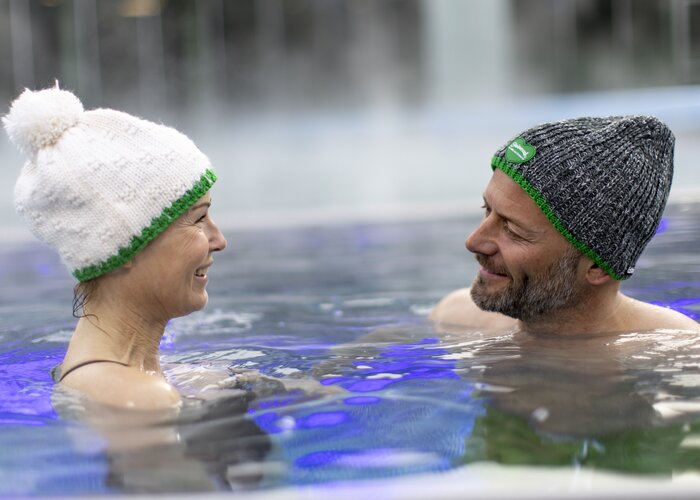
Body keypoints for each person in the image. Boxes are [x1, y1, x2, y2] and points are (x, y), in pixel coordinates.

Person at [3, 86, 227, 409]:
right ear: (124, 247)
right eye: (199, 219)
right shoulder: (141, 397)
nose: (219, 240)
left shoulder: (116, 378)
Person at [431, 116, 699, 334]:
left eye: (512, 230)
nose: (473, 242)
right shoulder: (453, 318)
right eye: (486, 210)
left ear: (597, 267)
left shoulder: (680, 357)